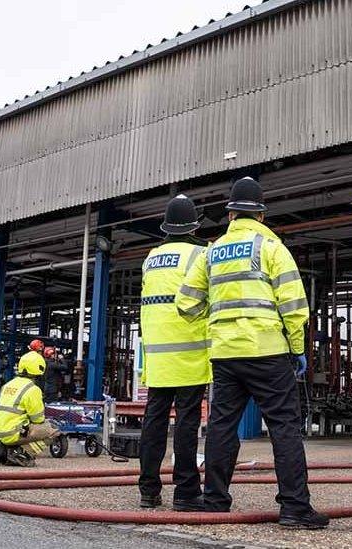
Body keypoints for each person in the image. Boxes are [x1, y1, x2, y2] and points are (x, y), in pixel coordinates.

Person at [176, 177, 328, 529]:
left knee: (221, 427)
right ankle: (294, 508)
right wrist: (297, 348)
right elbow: (294, 305)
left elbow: (186, 305)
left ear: (230, 214)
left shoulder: (211, 252)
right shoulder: (271, 247)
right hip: (268, 351)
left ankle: (214, 502)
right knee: (284, 427)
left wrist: (218, 316)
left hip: (226, 355)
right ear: (260, 214)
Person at [138, 194, 212, 512]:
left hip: (157, 355)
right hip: (190, 353)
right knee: (186, 422)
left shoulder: (150, 258)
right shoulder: (201, 255)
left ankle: (148, 490)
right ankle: (185, 491)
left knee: (153, 421)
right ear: (194, 224)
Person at [0, 351, 59, 467]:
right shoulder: (32, 389)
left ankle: (3, 448)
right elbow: (38, 419)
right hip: (12, 433)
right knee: (52, 430)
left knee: (23, 424)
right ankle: (20, 453)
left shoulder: (8, 385)